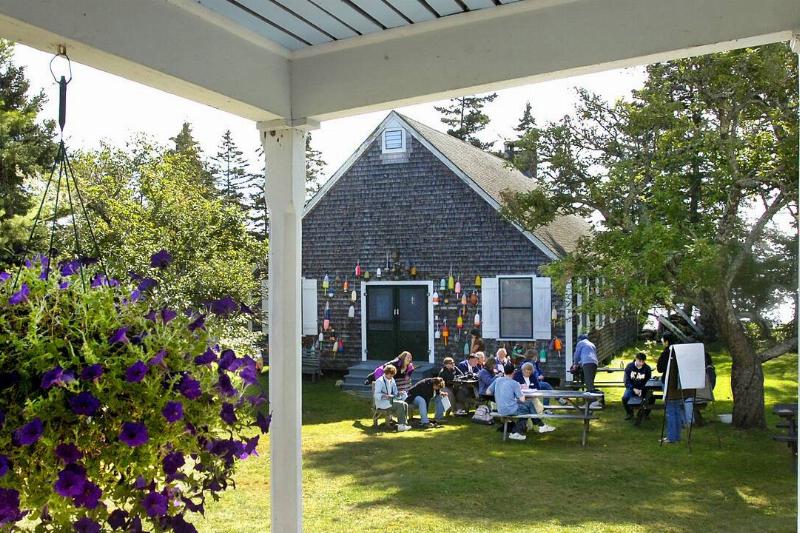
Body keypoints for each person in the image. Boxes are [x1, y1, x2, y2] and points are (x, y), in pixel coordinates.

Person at [487, 363, 555, 441]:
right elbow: (522, 399)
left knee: (526, 407)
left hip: (500, 408)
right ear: (513, 372)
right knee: (528, 406)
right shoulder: (514, 383)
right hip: (510, 409)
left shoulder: (497, 380)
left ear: (504, 372)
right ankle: (536, 426)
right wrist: (519, 389)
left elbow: (488, 392)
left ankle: (537, 426)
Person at [657, 332, 695, 443]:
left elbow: (660, 368)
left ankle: (672, 437)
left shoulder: (667, 352)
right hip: (680, 384)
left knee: (671, 411)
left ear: (667, 341)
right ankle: (676, 436)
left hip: (669, 383)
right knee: (677, 409)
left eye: (663, 340)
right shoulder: (681, 351)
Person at [373, 365, 411, 432]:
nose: (391, 377)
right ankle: (401, 425)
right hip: (382, 403)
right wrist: (385, 396)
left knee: (405, 404)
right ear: (386, 373)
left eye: (392, 375)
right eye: (390, 375)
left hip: (390, 401)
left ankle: (404, 424)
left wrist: (399, 393)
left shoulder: (392, 380)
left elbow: (395, 392)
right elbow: (376, 394)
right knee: (400, 404)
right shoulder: (380, 381)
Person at [622, 352, 652, 420]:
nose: (641, 363)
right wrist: (633, 389)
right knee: (625, 398)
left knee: (650, 398)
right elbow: (626, 381)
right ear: (636, 359)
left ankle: (643, 413)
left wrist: (641, 389)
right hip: (631, 388)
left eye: (643, 361)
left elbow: (647, 381)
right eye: (640, 361)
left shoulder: (647, 368)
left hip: (643, 388)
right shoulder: (629, 367)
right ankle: (629, 413)